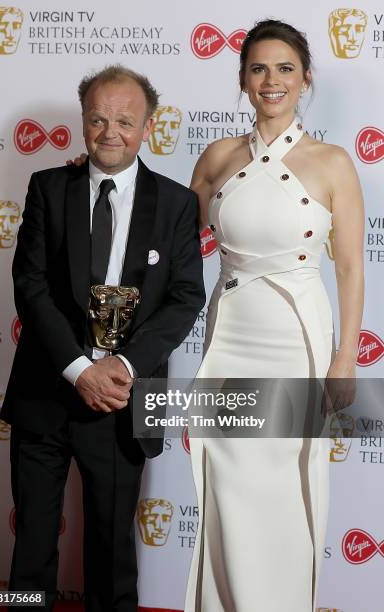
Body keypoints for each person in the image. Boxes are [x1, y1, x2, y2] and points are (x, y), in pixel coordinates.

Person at [1, 64, 205, 612]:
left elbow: (186, 297)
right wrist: (78, 368)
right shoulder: (48, 186)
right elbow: (31, 285)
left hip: (122, 400)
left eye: (124, 120)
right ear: (83, 123)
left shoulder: (178, 203)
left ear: (148, 126)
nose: (109, 132)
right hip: (47, 391)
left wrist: (123, 369)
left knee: (113, 555)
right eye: (97, 120)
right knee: (31, 551)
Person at [184, 19, 364, 612]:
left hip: (298, 339)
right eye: (259, 68)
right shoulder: (217, 158)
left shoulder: (334, 162)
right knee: (228, 486)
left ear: (305, 77)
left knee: (287, 487)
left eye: (285, 68)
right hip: (229, 334)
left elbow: (349, 270)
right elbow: (173, 242)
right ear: (242, 79)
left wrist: (344, 358)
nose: (272, 80)